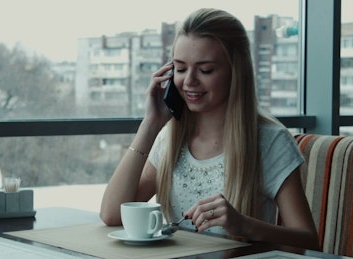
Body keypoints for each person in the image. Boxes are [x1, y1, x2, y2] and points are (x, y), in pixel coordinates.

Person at [100, 8, 320, 250]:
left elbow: (308, 241)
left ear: (236, 73)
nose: (189, 81)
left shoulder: (270, 141)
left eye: (205, 70)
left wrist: (244, 225)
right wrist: (150, 124)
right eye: (181, 69)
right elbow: (112, 215)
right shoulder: (171, 138)